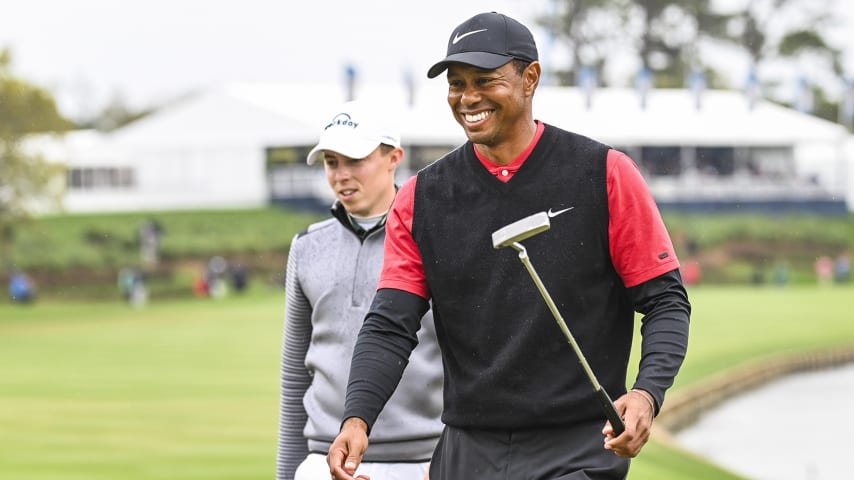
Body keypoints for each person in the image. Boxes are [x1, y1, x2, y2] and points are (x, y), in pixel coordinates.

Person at [328, 12, 691, 480]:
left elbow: (665, 301)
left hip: (579, 445)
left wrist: (646, 393)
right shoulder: (421, 198)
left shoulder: (605, 173)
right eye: (456, 84)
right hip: (466, 447)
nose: (468, 98)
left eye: (485, 80)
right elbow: (389, 325)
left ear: (530, 78)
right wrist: (357, 417)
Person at [277, 100, 443, 480]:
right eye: (331, 162)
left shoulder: (436, 240)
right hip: (325, 459)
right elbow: (296, 376)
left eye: (355, 160)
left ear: (393, 157)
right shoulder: (306, 246)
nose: (341, 175)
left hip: (423, 461)